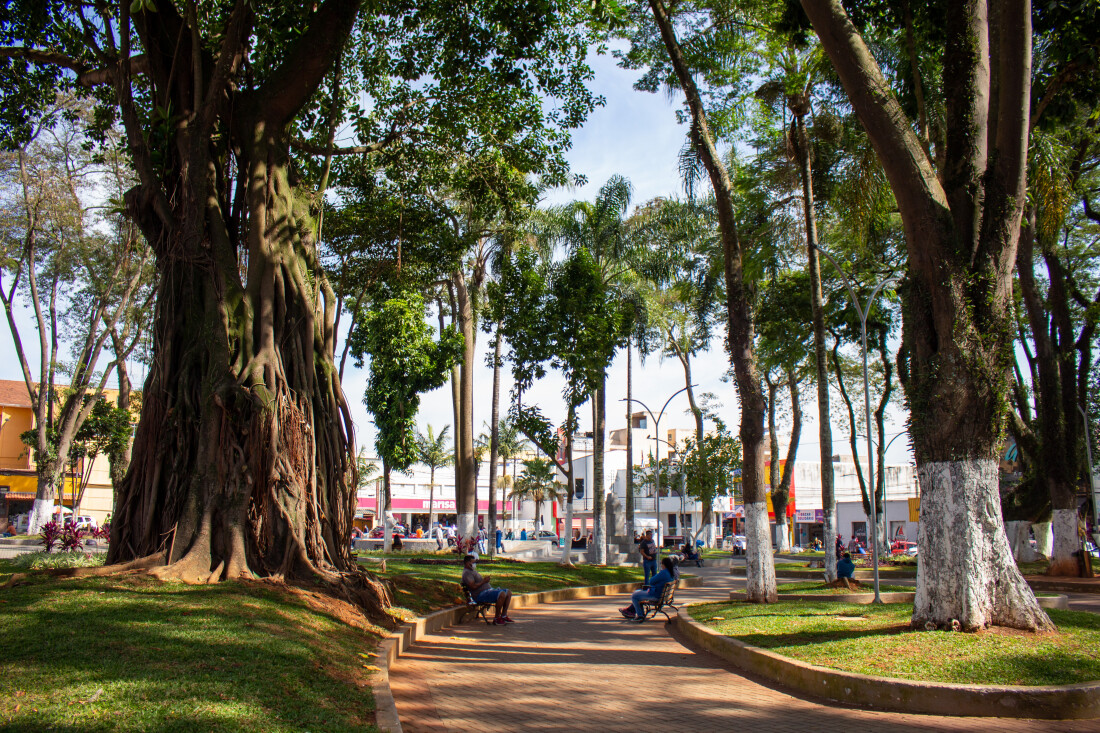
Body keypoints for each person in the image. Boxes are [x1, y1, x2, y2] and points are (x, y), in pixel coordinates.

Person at [461, 554, 514, 625]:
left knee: (508, 592)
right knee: (502, 594)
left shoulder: (472, 571)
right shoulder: (467, 573)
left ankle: (504, 616)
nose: (474, 564)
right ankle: (496, 618)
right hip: (480, 595)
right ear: (468, 563)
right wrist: (484, 581)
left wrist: (485, 581)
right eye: (473, 562)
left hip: (488, 591)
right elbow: (473, 586)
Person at [620, 557, 677, 621]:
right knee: (638, 592)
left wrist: (658, 576)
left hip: (655, 595)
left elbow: (651, 581)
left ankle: (640, 615)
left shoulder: (663, 573)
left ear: (664, 564)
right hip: (661, 595)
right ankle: (631, 611)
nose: (661, 565)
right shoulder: (670, 573)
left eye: (661, 564)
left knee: (634, 596)